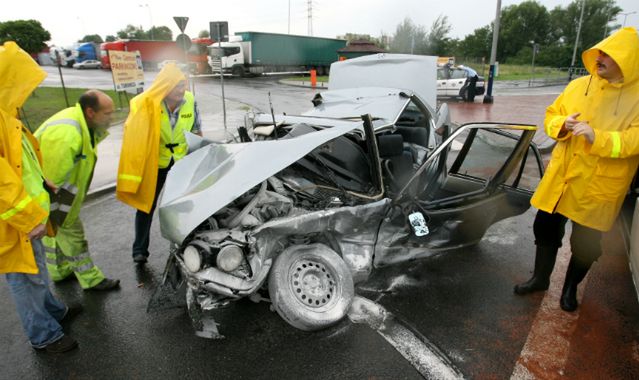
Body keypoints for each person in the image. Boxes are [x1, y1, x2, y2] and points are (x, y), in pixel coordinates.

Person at [514, 27, 639, 312]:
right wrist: (561, 124)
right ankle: (540, 279)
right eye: (599, 52)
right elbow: (551, 115)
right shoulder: (578, 86)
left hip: (599, 184)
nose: (600, 58)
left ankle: (570, 289)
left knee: (586, 243)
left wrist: (599, 138)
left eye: (608, 54)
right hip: (562, 178)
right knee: (544, 226)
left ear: (627, 60)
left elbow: (636, 139)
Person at [0, 41, 80, 353]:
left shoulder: (8, 114)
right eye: (25, 83)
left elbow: (21, 163)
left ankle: (54, 313)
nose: (30, 91)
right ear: (9, 81)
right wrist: (28, 218)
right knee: (23, 280)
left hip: (28, 214)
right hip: (15, 221)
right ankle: (43, 335)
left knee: (37, 272)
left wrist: (44, 183)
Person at [117, 63, 202, 264]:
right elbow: (135, 133)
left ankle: (187, 245)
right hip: (157, 162)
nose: (182, 90)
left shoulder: (190, 100)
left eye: (183, 85)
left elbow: (197, 130)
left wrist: (199, 156)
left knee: (185, 205)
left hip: (182, 160)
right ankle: (139, 250)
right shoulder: (150, 104)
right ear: (165, 88)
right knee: (146, 206)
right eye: (178, 86)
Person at [35, 90, 120, 291]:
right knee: (74, 235)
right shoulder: (67, 134)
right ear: (91, 112)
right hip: (55, 195)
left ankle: (60, 271)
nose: (111, 118)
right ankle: (91, 279)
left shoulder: (81, 124)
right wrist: (53, 209)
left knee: (54, 232)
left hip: (58, 194)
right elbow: (51, 179)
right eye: (107, 114)